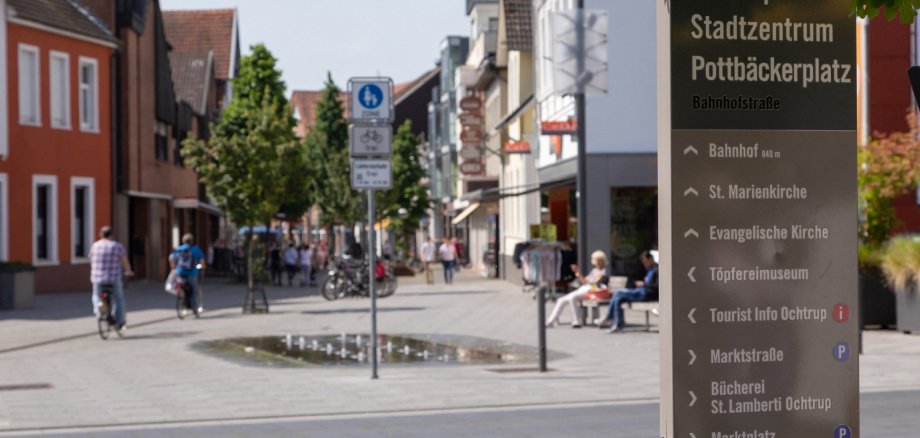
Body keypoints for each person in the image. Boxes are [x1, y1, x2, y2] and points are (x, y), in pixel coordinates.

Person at [597, 250, 659, 333]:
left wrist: (643, 284)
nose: (645, 264)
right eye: (643, 262)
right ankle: (618, 325)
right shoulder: (649, 270)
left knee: (618, 293)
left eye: (646, 262)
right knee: (618, 299)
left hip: (647, 293)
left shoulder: (657, 270)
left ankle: (608, 317)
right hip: (642, 291)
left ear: (650, 259)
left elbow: (657, 287)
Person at [545, 250, 608, 328]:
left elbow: (595, 284)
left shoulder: (603, 272)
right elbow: (583, 281)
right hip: (585, 289)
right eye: (595, 260)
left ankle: (577, 320)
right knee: (561, 300)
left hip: (592, 292)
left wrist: (589, 283)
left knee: (572, 298)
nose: (595, 262)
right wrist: (577, 272)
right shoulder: (594, 270)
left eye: (597, 260)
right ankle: (551, 321)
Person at [89, 226, 133, 335]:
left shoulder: (95, 246)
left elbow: (91, 259)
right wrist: (128, 271)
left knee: (96, 295)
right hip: (113, 277)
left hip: (97, 277)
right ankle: (120, 322)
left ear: (101, 235)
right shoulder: (117, 246)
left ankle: (99, 308)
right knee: (119, 299)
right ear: (111, 235)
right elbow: (124, 260)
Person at [169, 233, 205, 316]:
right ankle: (195, 309)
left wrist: (173, 267)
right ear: (192, 241)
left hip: (179, 273)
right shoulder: (195, 249)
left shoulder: (178, 249)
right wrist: (202, 267)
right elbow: (202, 261)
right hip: (192, 273)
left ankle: (182, 304)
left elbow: (171, 257)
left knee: (181, 288)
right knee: (194, 290)